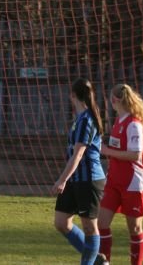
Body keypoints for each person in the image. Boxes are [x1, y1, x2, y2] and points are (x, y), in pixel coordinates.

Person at [97, 84, 143, 265]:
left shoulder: (134, 125)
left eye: (111, 99)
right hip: (114, 181)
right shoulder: (118, 121)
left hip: (134, 183)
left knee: (135, 228)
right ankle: (104, 262)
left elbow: (135, 155)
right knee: (101, 223)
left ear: (115, 100)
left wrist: (107, 150)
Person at [51, 78, 106, 265]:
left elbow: (78, 155)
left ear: (72, 95)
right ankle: (96, 258)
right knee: (61, 222)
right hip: (75, 178)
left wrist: (62, 179)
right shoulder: (79, 119)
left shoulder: (87, 120)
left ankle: (89, 261)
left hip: (88, 180)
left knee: (90, 227)